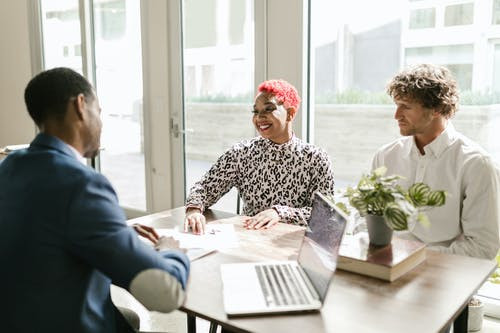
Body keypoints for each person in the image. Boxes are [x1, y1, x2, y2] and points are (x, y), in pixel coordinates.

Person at [0, 67, 189, 332]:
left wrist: (111, 232)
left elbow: (42, 231)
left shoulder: (9, 167)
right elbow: (165, 292)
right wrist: (171, 251)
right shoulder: (81, 183)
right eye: (99, 112)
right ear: (80, 106)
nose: (100, 123)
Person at [372, 64, 500, 259]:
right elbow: (365, 215)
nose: (396, 115)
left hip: (443, 277)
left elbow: (483, 248)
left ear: (437, 109)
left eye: (406, 106)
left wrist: (409, 257)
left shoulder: (476, 165)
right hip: (384, 269)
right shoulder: (385, 156)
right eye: (396, 105)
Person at [184, 79, 335, 234]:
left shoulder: (316, 159)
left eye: (269, 109)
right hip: (249, 240)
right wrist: (194, 210)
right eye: (255, 111)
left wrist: (279, 213)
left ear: (290, 114)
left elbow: (325, 216)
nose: (259, 117)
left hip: (291, 246)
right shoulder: (241, 153)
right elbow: (204, 187)